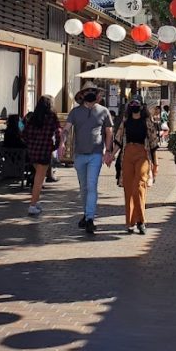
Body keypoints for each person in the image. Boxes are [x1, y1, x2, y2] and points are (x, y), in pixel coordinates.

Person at [65, 81, 114, 236]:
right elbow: (66, 129)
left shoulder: (104, 111)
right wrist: (61, 143)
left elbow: (109, 131)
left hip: (95, 154)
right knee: (84, 187)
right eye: (88, 91)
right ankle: (86, 215)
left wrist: (108, 151)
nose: (91, 93)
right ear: (82, 95)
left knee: (92, 185)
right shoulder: (75, 112)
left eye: (93, 91)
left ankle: (90, 218)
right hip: (79, 155)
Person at [115, 100, 159, 234]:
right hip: (127, 155)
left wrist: (156, 164)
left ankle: (141, 221)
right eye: (132, 105)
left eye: (136, 104)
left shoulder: (147, 122)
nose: (134, 107)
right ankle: (130, 222)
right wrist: (111, 155)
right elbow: (118, 139)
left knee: (138, 187)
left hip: (142, 155)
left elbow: (153, 143)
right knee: (128, 189)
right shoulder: (125, 122)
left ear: (141, 107)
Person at [22, 96, 62, 217]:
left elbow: (24, 134)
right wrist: (55, 146)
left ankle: (35, 202)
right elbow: (58, 132)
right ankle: (32, 205)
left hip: (33, 151)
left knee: (37, 177)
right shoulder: (51, 117)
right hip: (45, 150)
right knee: (39, 180)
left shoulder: (33, 117)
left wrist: (30, 144)